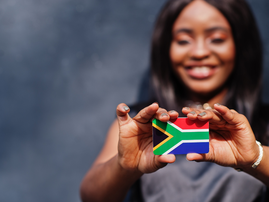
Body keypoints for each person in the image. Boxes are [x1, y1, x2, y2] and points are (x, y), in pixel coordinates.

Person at [80, 0, 269, 201]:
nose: (199, 53)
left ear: (240, 46)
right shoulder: (138, 125)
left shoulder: (265, 123)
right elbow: (91, 196)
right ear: (166, 49)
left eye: (217, 39)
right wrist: (123, 166)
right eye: (183, 40)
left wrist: (255, 157)